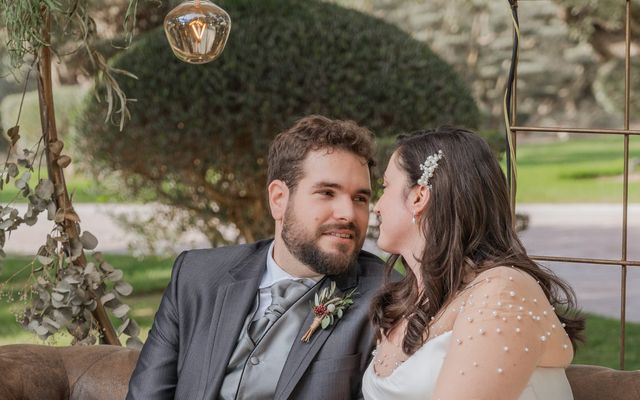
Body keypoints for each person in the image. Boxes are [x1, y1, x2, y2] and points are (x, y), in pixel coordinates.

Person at [127, 115, 387, 400]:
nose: (348, 214)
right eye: (327, 193)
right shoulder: (195, 277)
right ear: (278, 199)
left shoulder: (388, 299)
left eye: (360, 198)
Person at [363, 127, 584, 400]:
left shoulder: (503, 292)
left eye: (385, 187)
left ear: (419, 196)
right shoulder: (405, 300)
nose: (377, 206)